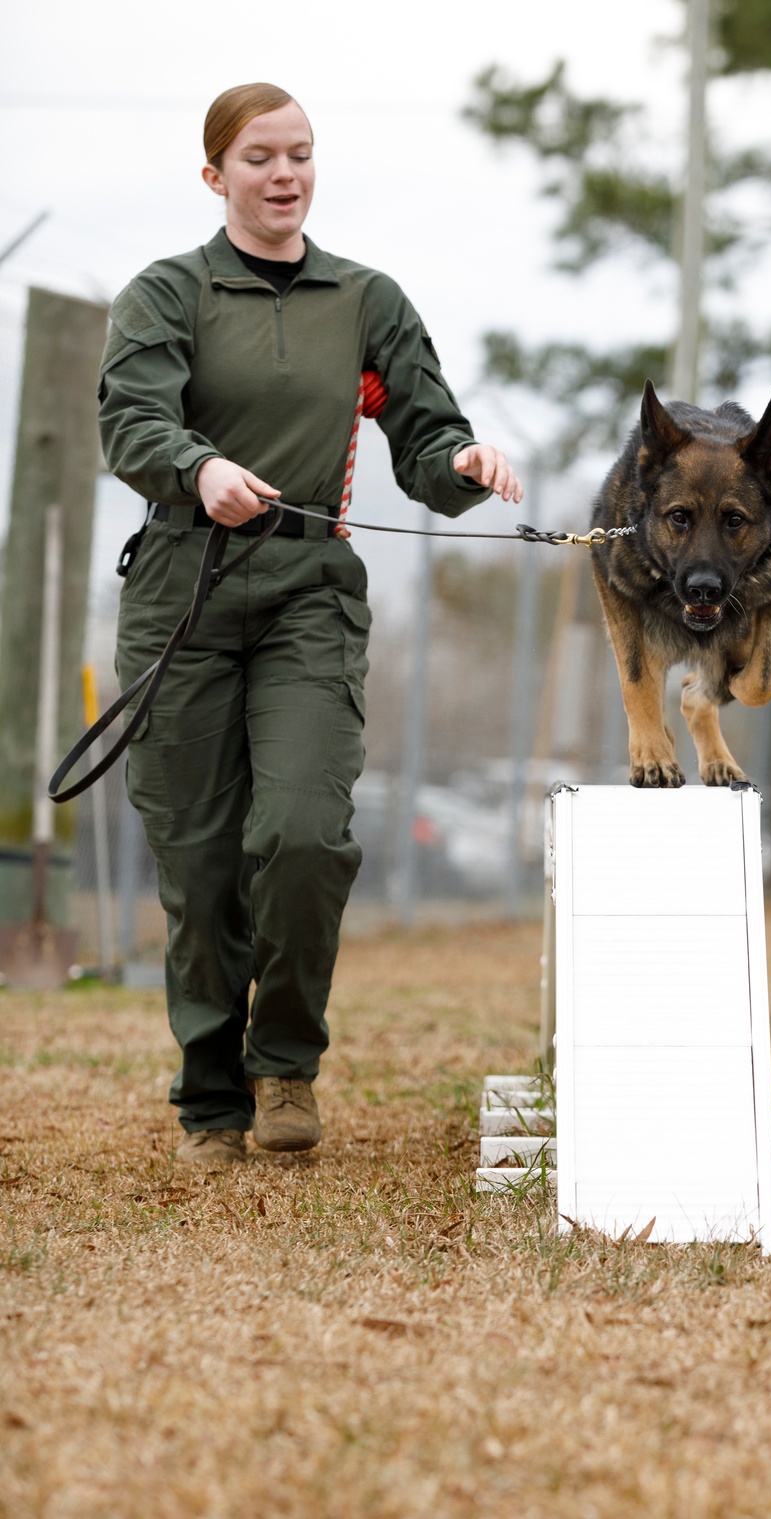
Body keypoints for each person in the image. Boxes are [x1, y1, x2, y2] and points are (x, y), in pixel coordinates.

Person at [99, 82, 523, 1166]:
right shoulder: (167, 294)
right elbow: (133, 421)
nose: (283, 174)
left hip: (307, 598)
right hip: (182, 596)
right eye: (258, 159)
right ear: (215, 177)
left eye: (299, 154)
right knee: (196, 865)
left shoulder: (365, 300)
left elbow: (427, 445)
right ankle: (211, 1099)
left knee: (298, 835)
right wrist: (199, 469)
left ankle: (283, 1062)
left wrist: (466, 464)